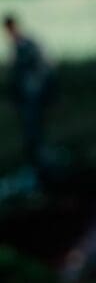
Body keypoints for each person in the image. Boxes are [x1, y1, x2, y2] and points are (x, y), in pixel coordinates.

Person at [3, 14, 57, 176]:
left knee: (35, 131)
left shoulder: (28, 45)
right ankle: (38, 164)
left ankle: (42, 164)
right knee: (31, 132)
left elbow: (44, 68)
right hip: (27, 97)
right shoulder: (19, 47)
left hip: (34, 96)